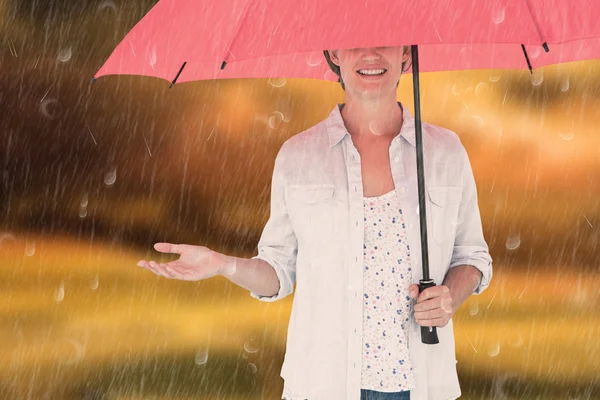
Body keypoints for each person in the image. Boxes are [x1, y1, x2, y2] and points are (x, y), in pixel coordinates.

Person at [137, 46, 493, 400]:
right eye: (355, 42)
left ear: (406, 55)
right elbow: (278, 270)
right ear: (334, 54)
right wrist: (224, 265)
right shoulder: (298, 155)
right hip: (323, 382)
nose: (371, 55)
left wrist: (450, 296)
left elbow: (473, 256)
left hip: (422, 384)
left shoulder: (445, 151)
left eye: (385, 40)